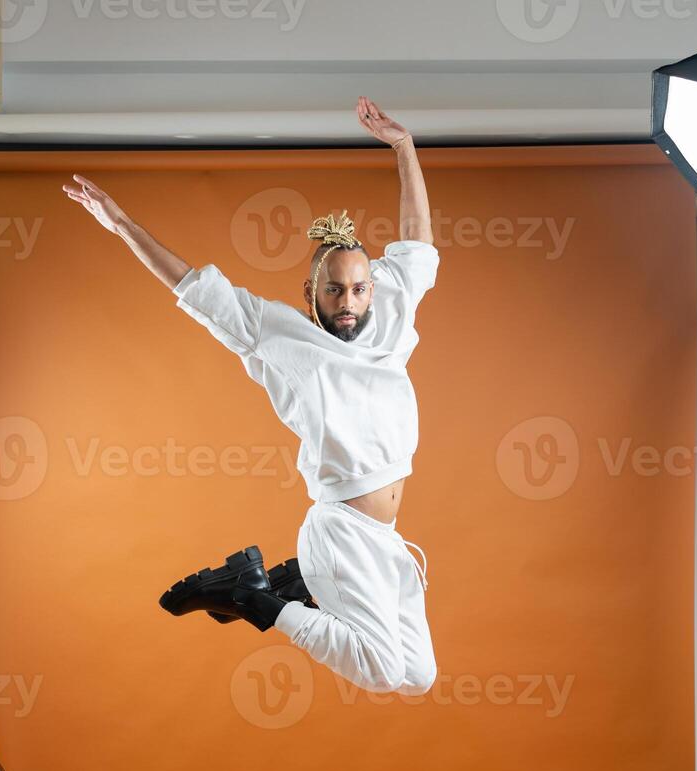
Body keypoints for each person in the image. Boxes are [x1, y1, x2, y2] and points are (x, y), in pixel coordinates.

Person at [62, 96, 437, 696]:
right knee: (383, 671)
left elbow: (418, 239)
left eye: (359, 289)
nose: (349, 302)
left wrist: (404, 147)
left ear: (373, 287)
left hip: (385, 538)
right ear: (310, 292)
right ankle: (254, 598)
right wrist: (121, 224)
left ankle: (294, 585)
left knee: (418, 677)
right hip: (340, 530)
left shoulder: (391, 303)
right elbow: (192, 286)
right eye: (335, 291)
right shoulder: (277, 334)